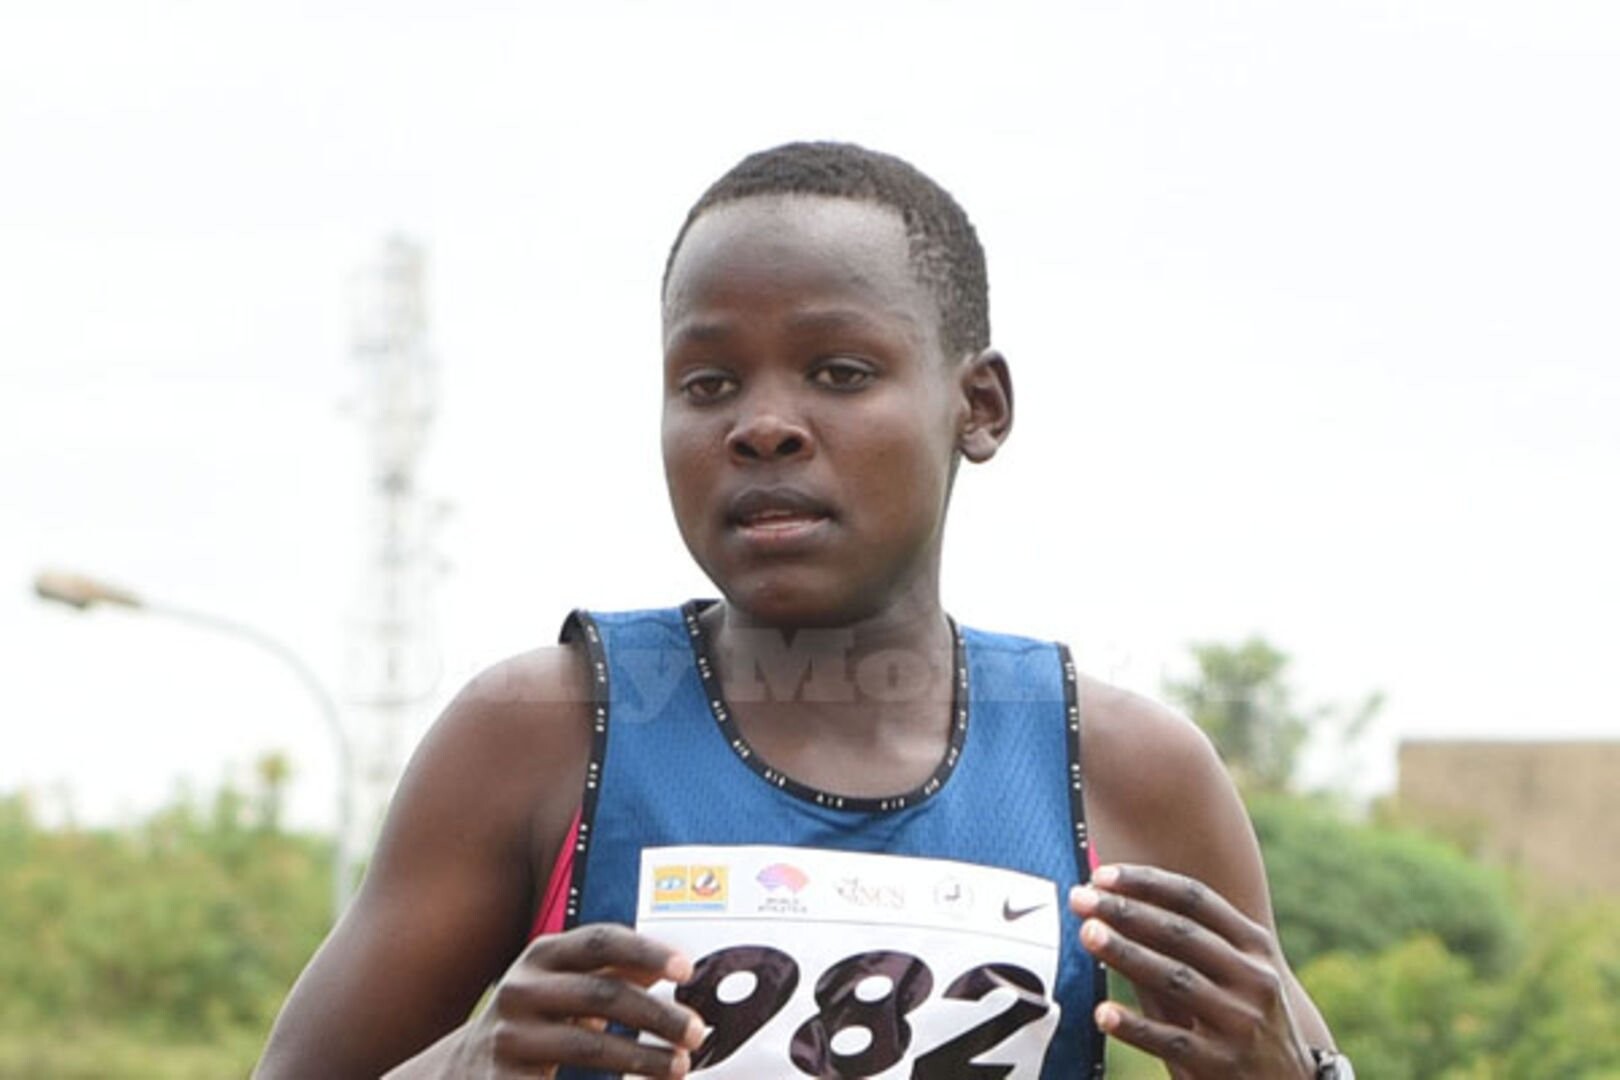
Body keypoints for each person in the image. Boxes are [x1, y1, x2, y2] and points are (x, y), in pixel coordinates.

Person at [258, 141, 1351, 1079]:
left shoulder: (1126, 769)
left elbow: (1290, 1056)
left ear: (977, 405)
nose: (762, 426)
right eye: (708, 384)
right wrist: (464, 1063)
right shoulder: (539, 732)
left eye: (838, 372)